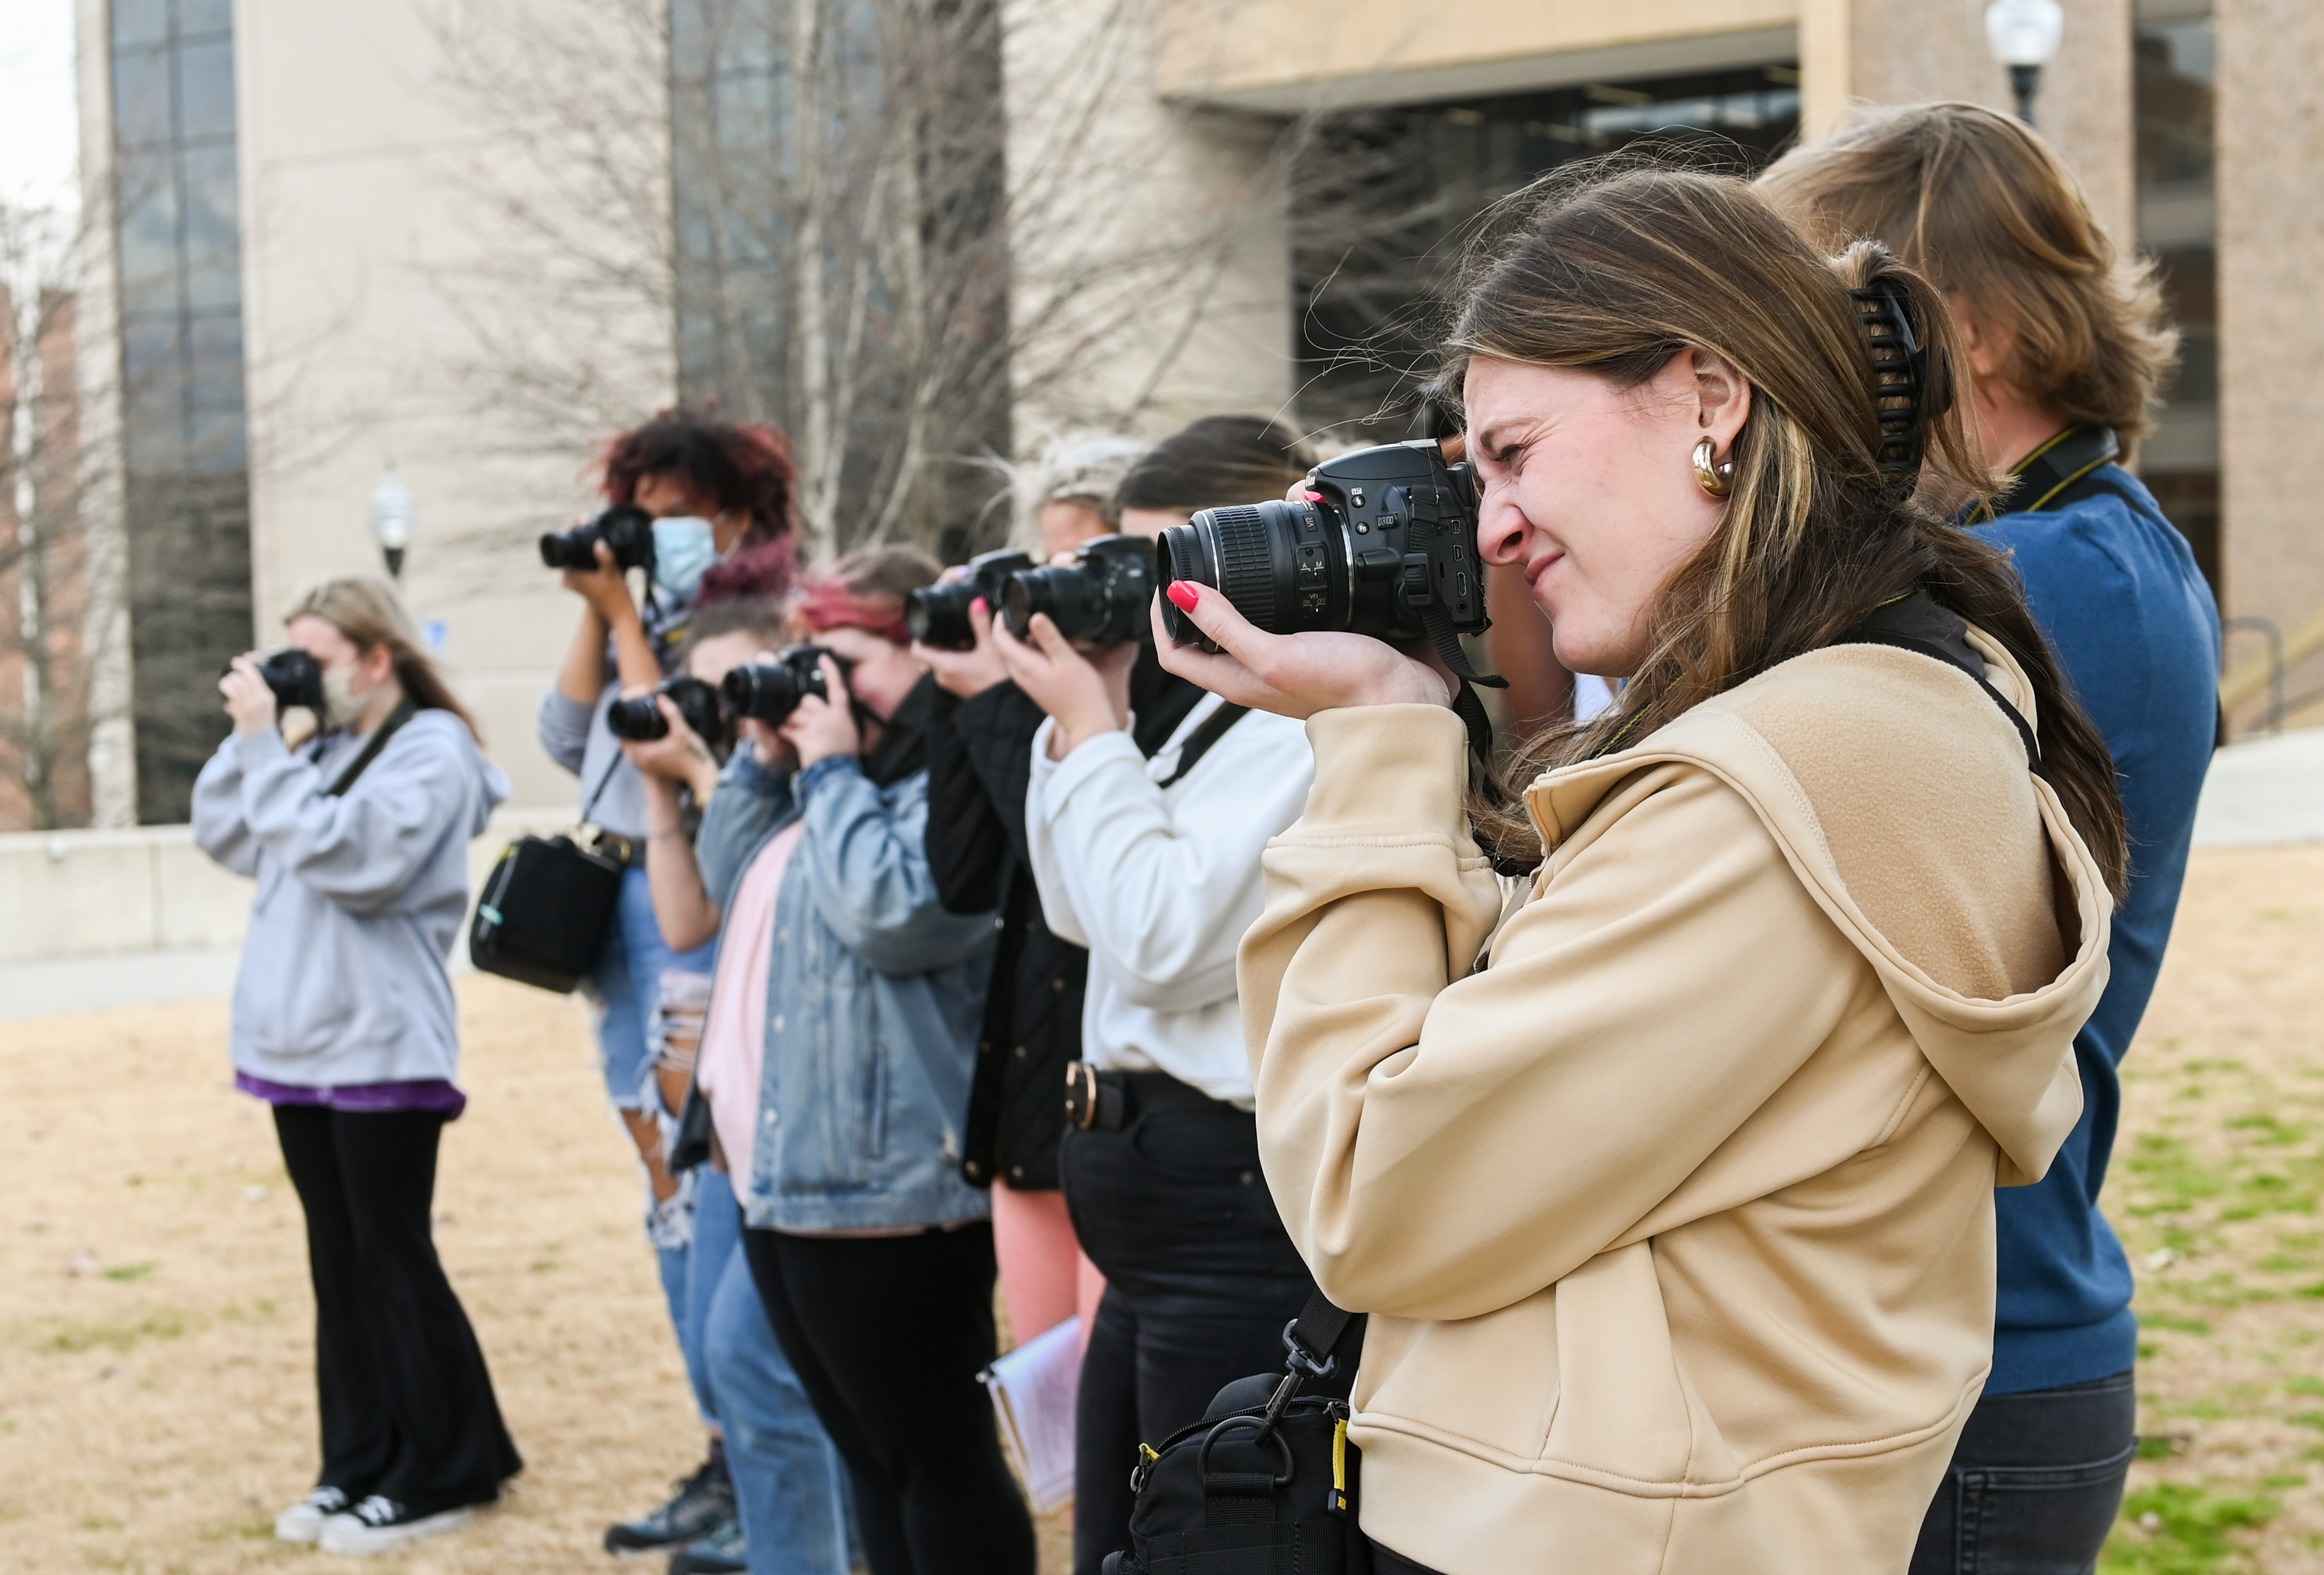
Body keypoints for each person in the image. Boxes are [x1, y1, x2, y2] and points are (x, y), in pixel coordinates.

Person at [1158, 164, 2124, 1573]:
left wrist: (1380, 744)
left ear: (1709, 399)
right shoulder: (1876, 715)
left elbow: (1372, 1197)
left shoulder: (1781, 787)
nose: (1488, 524)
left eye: (1512, 452)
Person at [1759, 102, 2222, 1574]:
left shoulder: (2027, 576)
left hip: (1961, 1363)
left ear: (1969, 337)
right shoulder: (2095, 543)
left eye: (1818, 328)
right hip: (1982, 1339)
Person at [988, 414, 1351, 1575]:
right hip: (1149, 1208)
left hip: (1225, 1205)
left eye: (1170, 562)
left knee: (1199, 1540)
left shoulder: (1313, 720)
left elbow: (1156, 937)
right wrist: (1078, 726)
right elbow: (1077, 908)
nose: (1156, 598)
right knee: (1117, 1540)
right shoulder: (1208, 707)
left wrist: (1093, 733)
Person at [692, 549, 1035, 1575]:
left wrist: (832, 764)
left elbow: (900, 914)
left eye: (843, 657)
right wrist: (766, 755)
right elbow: (726, 875)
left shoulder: (949, 778)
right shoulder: (832, 780)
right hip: (785, 1179)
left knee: (935, 1455)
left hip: (896, 1189)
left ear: (921, 654)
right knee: (867, 1458)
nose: (822, 683)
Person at [193, 577, 520, 1556]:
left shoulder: (432, 749)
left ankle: (446, 1469)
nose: (301, 673)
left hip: (381, 1042)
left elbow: (355, 858)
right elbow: (228, 832)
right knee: (338, 1264)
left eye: (318, 656)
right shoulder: (317, 745)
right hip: (297, 1046)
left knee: (391, 1256)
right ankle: (361, 1461)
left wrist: (267, 748)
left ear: (377, 659)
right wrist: (257, 729)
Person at [535, 407, 800, 1556]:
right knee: (666, 1189)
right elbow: (563, 732)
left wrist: (635, 625)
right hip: (627, 919)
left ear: (737, 515)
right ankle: (720, 1451)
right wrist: (603, 615)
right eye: (636, 512)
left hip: (694, 910)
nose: (649, 532)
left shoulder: (754, 623)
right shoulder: (643, 612)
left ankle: (754, 1459)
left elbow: (675, 746)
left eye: (673, 515)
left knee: (706, 1200)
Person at [617, 597, 857, 1575]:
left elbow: (779, 872)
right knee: (731, 1361)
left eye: (739, 685)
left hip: (808, 1109)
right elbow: (685, 921)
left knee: (764, 1362)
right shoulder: (735, 779)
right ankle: (787, 1545)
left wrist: (714, 773)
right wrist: (658, 788)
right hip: (731, 1111)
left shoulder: (830, 775)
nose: (725, 708)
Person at [916, 432, 1147, 1347]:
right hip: (1028, 1112)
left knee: (1121, 1431)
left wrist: (1008, 706)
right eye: (1045, 567)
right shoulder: (1046, 702)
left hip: (1114, 1114)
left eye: (1077, 567)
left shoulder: (1157, 699)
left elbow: (1086, 883)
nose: (1056, 595)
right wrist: (964, 688)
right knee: (1061, 1440)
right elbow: (964, 874)